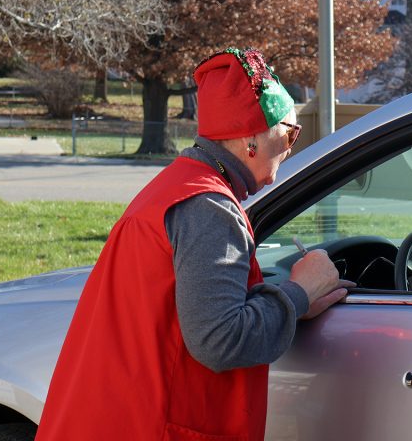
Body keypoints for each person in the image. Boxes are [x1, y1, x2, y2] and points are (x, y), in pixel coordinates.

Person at [36, 47, 352, 441]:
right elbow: (220, 340)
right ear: (251, 136)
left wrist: (287, 305)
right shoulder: (210, 208)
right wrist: (298, 292)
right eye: (290, 133)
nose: (290, 148)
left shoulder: (174, 187)